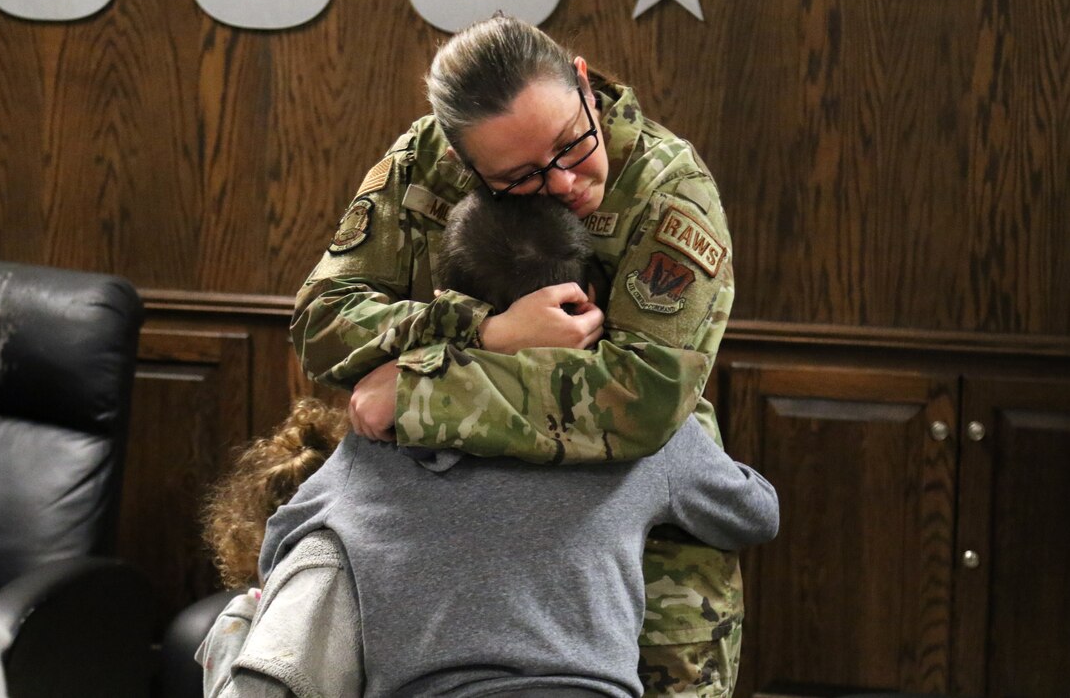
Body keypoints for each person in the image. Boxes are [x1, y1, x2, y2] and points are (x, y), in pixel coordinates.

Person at [291, 14, 739, 694]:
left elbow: (641, 401)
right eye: (522, 177)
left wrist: (418, 393)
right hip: (455, 556)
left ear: (584, 84)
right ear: (462, 160)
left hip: (644, 568)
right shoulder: (425, 163)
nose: (562, 183)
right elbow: (321, 321)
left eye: (572, 144)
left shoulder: (669, 192)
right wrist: (489, 330)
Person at [199, 193, 773, 697]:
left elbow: (283, 544)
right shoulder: (636, 432)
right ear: (588, 295)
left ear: (448, 299)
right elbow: (755, 512)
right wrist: (682, 416)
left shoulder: (385, 432)